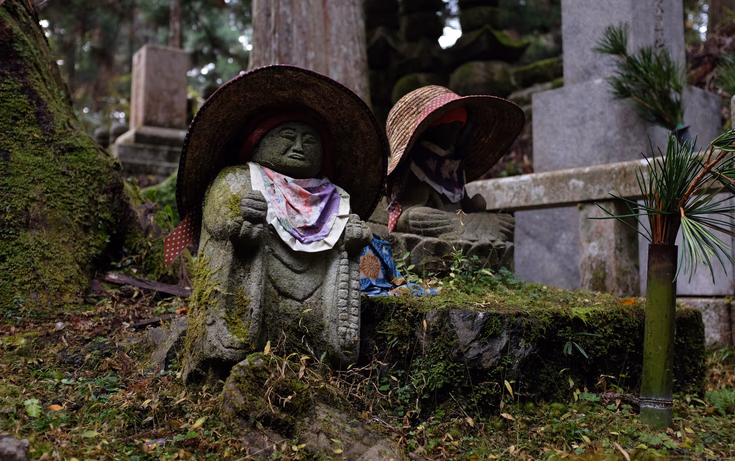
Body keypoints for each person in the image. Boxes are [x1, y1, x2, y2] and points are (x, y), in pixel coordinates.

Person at [163, 65, 387, 382]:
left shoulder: (334, 198)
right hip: (255, 293)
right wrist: (239, 222)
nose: (298, 146)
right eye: (287, 136)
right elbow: (218, 221)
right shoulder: (238, 178)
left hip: (314, 307)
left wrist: (350, 241)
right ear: (257, 141)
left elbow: (345, 241)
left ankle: (323, 352)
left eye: (309, 140)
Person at [382, 85, 524, 272]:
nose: (453, 132)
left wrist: (474, 207)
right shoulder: (416, 160)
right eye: (447, 126)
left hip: (457, 221)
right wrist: (428, 200)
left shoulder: (455, 160)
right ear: (430, 129)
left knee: (506, 222)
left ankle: (469, 234)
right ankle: (469, 235)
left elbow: (463, 200)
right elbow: (408, 207)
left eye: (458, 126)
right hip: (432, 218)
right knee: (414, 217)